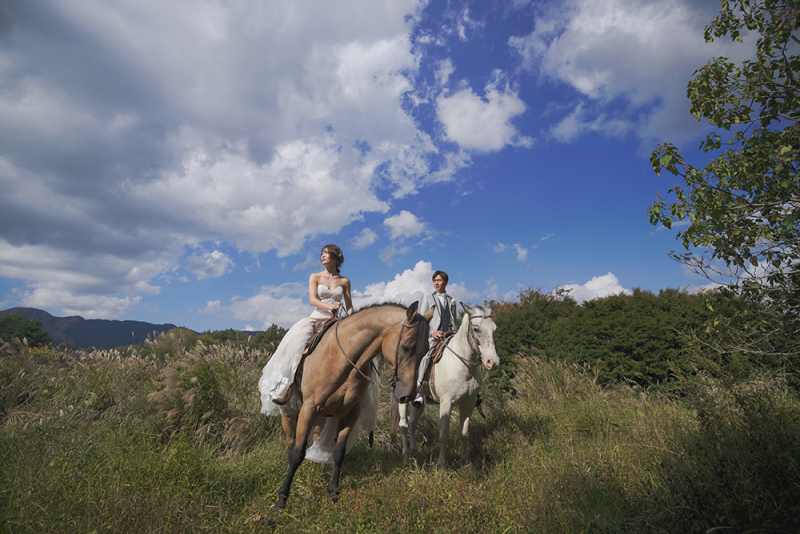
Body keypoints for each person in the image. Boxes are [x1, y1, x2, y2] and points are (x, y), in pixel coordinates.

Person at [258, 244, 378, 463]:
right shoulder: (315, 276)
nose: (323, 256)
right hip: (317, 317)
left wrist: (352, 319)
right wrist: (329, 307)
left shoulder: (345, 281)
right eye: (321, 254)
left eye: (326, 253)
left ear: (336, 257)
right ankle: (286, 387)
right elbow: (312, 300)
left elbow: (350, 305)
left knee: (359, 353)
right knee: (295, 346)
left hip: (338, 320)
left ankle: (355, 395)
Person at [412, 270, 457, 407]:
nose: (437, 283)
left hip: (449, 335)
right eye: (435, 280)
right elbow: (422, 319)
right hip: (433, 336)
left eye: (439, 280)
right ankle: (420, 390)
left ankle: (472, 391)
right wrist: (431, 333)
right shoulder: (427, 297)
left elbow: (454, 321)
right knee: (426, 356)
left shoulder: (451, 300)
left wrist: (456, 334)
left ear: (446, 282)